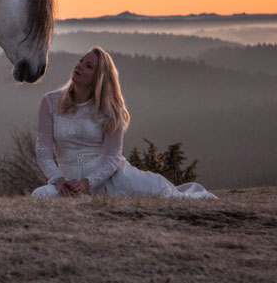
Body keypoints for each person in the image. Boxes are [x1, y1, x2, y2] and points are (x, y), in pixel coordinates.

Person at [31, 46, 217, 199]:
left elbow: (113, 158)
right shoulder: (50, 102)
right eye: (81, 61)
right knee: (39, 196)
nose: (79, 66)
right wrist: (59, 180)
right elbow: (43, 151)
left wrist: (87, 183)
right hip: (67, 184)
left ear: (99, 78)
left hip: (111, 180)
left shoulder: (109, 109)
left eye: (88, 66)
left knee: (167, 196)